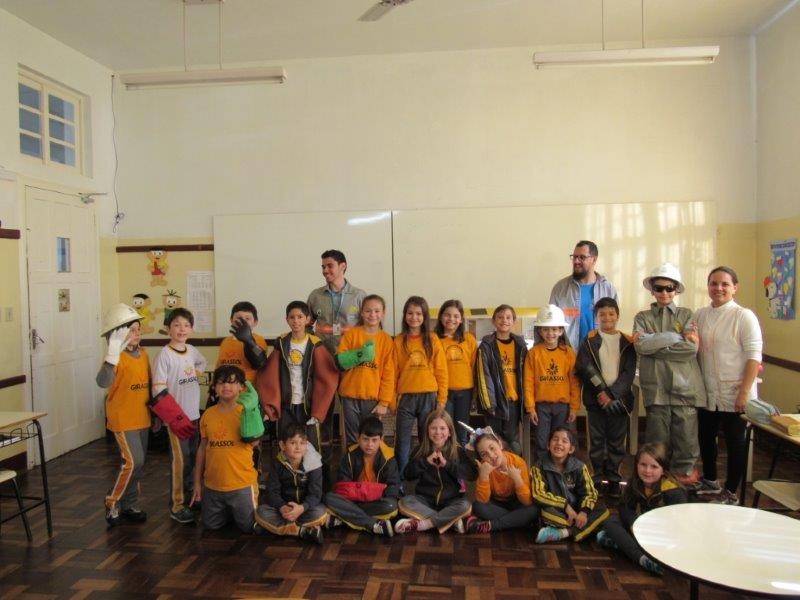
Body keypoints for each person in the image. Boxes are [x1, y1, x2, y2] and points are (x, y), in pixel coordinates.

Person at [633, 263, 706, 487]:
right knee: (657, 443)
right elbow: (641, 346)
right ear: (652, 290)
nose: (664, 292)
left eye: (669, 288)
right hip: (656, 390)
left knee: (686, 442)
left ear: (676, 290)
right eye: (659, 288)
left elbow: (691, 349)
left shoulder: (686, 315)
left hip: (685, 389)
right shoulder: (642, 317)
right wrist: (675, 337)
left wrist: (655, 344)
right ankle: (656, 486)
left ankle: (682, 487)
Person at [695, 266, 763, 505]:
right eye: (714, 283)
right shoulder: (700, 315)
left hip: (736, 392)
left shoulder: (743, 316)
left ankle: (731, 490)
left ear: (735, 288)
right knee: (706, 437)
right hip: (707, 391)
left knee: (736, 443)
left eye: (725, 284)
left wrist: (744, 392)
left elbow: (754, 356)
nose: (719, 288)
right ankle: (710, 480)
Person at [307, 250, 367, 477]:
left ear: (343, 266)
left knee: (352, 417)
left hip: (351, 366)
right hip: (324, 364)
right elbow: (306, 327)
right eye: (323, 266)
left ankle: (355, 465)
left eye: (329, 266)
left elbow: (368, 330)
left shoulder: (359, 296)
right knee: (322, 416)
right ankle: (322, 468)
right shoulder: (315, 296)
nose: (325, 270)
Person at [255, 300, 339, 451]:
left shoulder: (315, 344)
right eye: (292, 317)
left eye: (300, 317)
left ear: (307, 319)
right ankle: (287, 467)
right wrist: (271, 403)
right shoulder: (281, 342)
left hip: (308, 405)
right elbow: (269, 373)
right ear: (287, 319)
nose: (296, 321)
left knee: (310, 444)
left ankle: (311, 467)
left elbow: (327, 376)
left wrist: (319, 409)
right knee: (285, 442)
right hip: (287, 404)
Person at [97, 303, 151, 527]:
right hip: (123, 419)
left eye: (138, 329)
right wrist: (112, 356)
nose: (136, 334)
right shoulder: (115, 358)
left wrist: (156, 416)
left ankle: (130, 503)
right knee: (133, 462)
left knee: (138, 464)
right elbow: (102, 381)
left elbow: (149, 386)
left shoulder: (144, 354)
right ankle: (112, 501)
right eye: (130, 330)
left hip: (143, 418)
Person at [576, 297, 636, 496]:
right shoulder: (589, 340)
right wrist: (601, 391)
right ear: (596, 317)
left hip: (619, 402)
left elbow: (628, 373)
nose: (607, 317)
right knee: (596, 442)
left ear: (617, 316)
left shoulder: (628, 341)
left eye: (611, 313)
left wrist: (611, 394)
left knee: (617, 442)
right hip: (595, 401)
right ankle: (597, 477)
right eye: (602, 314)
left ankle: (614, 479)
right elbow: (585, 368)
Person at [151, 307, 206, 524]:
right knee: (180, 461)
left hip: (194, 415)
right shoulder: (164, 355)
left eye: (186, 325)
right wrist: (173, 417)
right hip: (176, 419)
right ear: (168, 329)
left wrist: (196, 372)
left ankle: (191, 496)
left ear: (191, 329)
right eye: (176, 325)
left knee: (192, 458)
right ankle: (177, 504)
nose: (181, 329)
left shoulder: (191, 350)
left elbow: (201, 363)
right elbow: (158, 389)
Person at [596, 443, 687, 575]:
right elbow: (625, 507)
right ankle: (643, 557)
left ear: (663, 469)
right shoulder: (635, 483)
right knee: (610, 522)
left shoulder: (673, 491)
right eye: (643, 465)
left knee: (604, 536)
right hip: (641, 529)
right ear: (636, 465)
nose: (647, 471)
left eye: (654, 466)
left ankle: (632, 551)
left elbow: (678, 523)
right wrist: (633, 524)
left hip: (663, 536)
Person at [191, 365, 260, 533]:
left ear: (242, 387)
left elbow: (255, 442)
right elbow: (202, 449)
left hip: (241, 484)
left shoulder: (246, 411)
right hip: (213, 486)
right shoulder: (208, 414)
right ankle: (228, 510)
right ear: (214, 387)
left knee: (248, 527)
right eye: (221, 382)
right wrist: (197, 483)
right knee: (210, 526)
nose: (226, 386)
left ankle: (238, 509)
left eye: (232, 382)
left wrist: (251, 412)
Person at [395, 409, 478, 534]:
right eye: (433, 428)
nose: (438, 432)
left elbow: (472, 474)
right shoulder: (420, 450)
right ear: (427, 431)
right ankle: (449, 521)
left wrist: (446, 464)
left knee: (465, 505)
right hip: (424, 501)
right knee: (405, 501)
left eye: (442, 428)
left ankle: (426, 523)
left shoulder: (458, 451)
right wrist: (425, 462)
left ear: (449, 432)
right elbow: (408, 475)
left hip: (451, 501)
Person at [394, 296, 448, 476]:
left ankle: (428, 477)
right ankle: (401, 479)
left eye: (418, 313)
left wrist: (441, 400)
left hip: (429, 397)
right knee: (403, 441)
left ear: (424, 316)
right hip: (406, 398)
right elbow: (393, 372)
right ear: (405, 315)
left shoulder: (432, 339)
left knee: (427, 440)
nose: (414, 317)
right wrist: (392, 400)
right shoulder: (399, 341)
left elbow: (441, 371)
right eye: (410, 313)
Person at [336, 294, 397, 445]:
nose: (372, 315)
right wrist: (360, 354)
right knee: (352, 437)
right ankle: (353, 460)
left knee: (372, 437)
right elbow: (340, 362)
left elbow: (389, 374)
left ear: (383, 313)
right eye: (368, 311)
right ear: (362, 313)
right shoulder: (351, 335)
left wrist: (384, 402)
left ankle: (371, 461)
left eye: (377, 311)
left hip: (372, 398)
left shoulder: (387, 340)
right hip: (349, 395)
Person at [324, 415, 400, 537]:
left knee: (391, 505)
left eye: (374, 440)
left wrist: (373, 494)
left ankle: (344, 519)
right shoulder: (350, 455)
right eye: (365, 439)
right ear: (358, 438)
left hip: (375, 502)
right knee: (329, 498)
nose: (369, 444)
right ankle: (372, 524)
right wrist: (357, 495)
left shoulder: (388, 457)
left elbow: (393, 487)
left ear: (381, 439)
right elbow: (343, 485)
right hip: (353, 500)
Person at [531, 426, 609, 543]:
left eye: (564, 441)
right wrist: (565, 506)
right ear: (548, 445)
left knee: (603, 511)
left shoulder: (579, 466)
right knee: (545, 512)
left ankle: (563, 533)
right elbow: (538, 494)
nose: (559, 443)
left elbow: (590, 493)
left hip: (577, 509)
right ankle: (591, 530)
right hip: (557, 510)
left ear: (571, 449)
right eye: (555, 439)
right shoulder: (538, 467)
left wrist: (583, 512)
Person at [255, 423, 328, 544]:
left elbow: (315, 494)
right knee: (261, 511)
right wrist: (282, 507)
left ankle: (278, 528)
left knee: (320, 512)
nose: (298, 447)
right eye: (293, 443)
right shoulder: (277, 463)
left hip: (305, 509)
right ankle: (302, 531)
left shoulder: (314, 463)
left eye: (302, 443)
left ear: (306, 444)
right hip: (284, 510)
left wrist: (302, 508)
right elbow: (272, 492)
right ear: (282, 445)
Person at [524, 305, 580, 461]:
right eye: (546, 329)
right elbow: (528, 382)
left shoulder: (568, 354)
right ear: (540, 331)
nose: (550, 333)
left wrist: (574, 407)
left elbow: (575, 382)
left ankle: (560, 470)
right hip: (541, 407)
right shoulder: (533, 354)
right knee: (542, 441)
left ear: (561, 331)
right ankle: (542, 471)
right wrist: (531, 408)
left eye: (555, 329)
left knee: (562, 441)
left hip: (563, 407)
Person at [475, 305, 528, 455]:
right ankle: (494, 468)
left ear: (514, 321)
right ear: (493, 321)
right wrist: (489, 404)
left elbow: (527, 375)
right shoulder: (486, 346)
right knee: (493, 440)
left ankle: (513, 466)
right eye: (500, 317)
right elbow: (483, 376)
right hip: (495, 402)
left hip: (513, 403)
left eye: (508, 317)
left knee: (512, 441)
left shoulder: (520, 345)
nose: (504, 320)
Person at [465, 428, 539, 534]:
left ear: (500, 444)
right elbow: (483, 500)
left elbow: (526, 501)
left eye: (492, 448)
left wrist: (517, 479)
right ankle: (517, 521)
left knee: (534, 509)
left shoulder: (518, 462)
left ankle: (493, 525)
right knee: (478, 506)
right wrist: (484, 476)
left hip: (517, 502)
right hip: (497, 505)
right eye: (484, 454)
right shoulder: (484, 467)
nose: (491, 456)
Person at [549, 240, 618, 350]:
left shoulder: (608, 290)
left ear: (594, 259)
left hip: (600, 353)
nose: (576, 261)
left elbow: (613, 324)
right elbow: (551, 323)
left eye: (582, 257)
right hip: (568, 354)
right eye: (574, 257)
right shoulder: (560, 288)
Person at [435, 299, 477, 446]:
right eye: (447, 315)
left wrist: (475, 393)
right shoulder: (434, 339)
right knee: (444, 429)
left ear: (461, 319)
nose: (451, 319)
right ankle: (445, 457)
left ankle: (462, 457)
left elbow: (474, 367)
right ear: (441, 317)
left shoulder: (469, 339)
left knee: (462, 430)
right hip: (443, 392)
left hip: (465, 392)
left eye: (456, 316)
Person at [216, 301, 270, 385]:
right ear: (231, 320)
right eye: (238, 317)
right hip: (226, 388)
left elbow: (260, 361)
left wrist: (249, 340)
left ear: (255, 322)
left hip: (246, 390)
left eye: (247, 318)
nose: (243, 321)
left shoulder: (259, 340)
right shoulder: (225, 341)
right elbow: (219, 366)